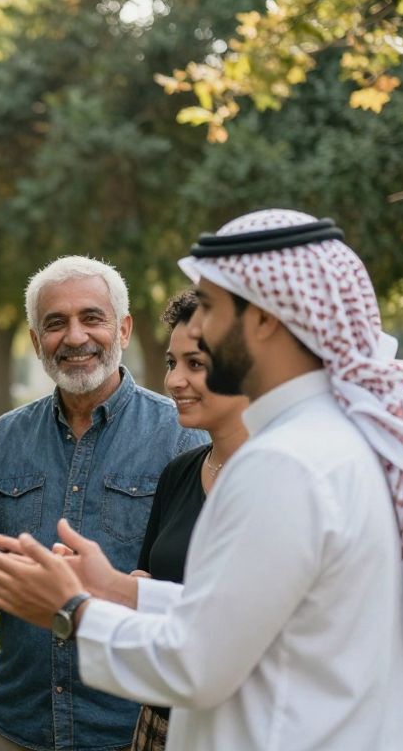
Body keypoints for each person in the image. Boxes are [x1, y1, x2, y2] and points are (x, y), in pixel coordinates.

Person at [0, 209, 403, 750]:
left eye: (214, 309)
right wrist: (116, 587)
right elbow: (239, 616)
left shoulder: (285, 463)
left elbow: (197, 663)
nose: (199, 328)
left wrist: (70, 610)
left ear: (265, 319)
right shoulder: (330, 438)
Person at [0, 255, 207, 751]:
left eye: (92, 318)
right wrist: (4, 585)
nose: (74, 336)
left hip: (126, 727)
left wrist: (111, 588)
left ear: (124, 329)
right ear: (34, 341)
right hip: (20, 725)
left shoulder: (182, 436)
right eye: (55, 323)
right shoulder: (4, 438)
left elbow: (204, 591)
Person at [128, 289, 248, 751]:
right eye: (170, 363)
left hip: (242, 727)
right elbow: (150, 584)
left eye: (195, 364)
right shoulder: (179, 472)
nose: (174, 381)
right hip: (162, 721)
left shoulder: (280, 479)